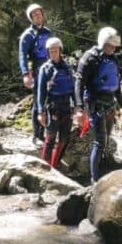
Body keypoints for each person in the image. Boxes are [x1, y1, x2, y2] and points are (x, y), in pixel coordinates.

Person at [75, 26, 122, 183]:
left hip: (110, 102)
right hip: (94, 102)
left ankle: (103, 170)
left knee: (108, 137)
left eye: (114, 46)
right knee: (100, 141)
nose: (112, 49)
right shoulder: (89, 58)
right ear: (102, 42)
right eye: (110, 46)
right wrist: (79, 109)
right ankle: (94, 180)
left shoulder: (113, 59)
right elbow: (79, 82)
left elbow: (116, 84)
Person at [35, 37, 79, 169]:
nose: (54, 53)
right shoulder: (45, 69)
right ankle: (46, 166)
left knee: (65, 138)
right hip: (53, 107)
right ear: (48, 52)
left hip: (67, 106)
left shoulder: (68, 68)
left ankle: (56, 162)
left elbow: (73, 88)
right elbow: (41, 91)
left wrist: (77, 106)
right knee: (50, 138)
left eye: (56, 51)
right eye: (51, 51)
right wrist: (40, 111)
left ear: (60, 51)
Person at [18, 3, 54, 147]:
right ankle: (36, 135)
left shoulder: (48, 32)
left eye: (39, 13)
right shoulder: (27, 35)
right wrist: (26, 73)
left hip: (50, 68)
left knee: (51, 99)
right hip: (37, 69)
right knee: (38, 100)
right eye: (35, 15)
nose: (38, 16)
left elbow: (55, 49)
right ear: (31, 18)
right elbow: (22, 55)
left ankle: (48, 131)